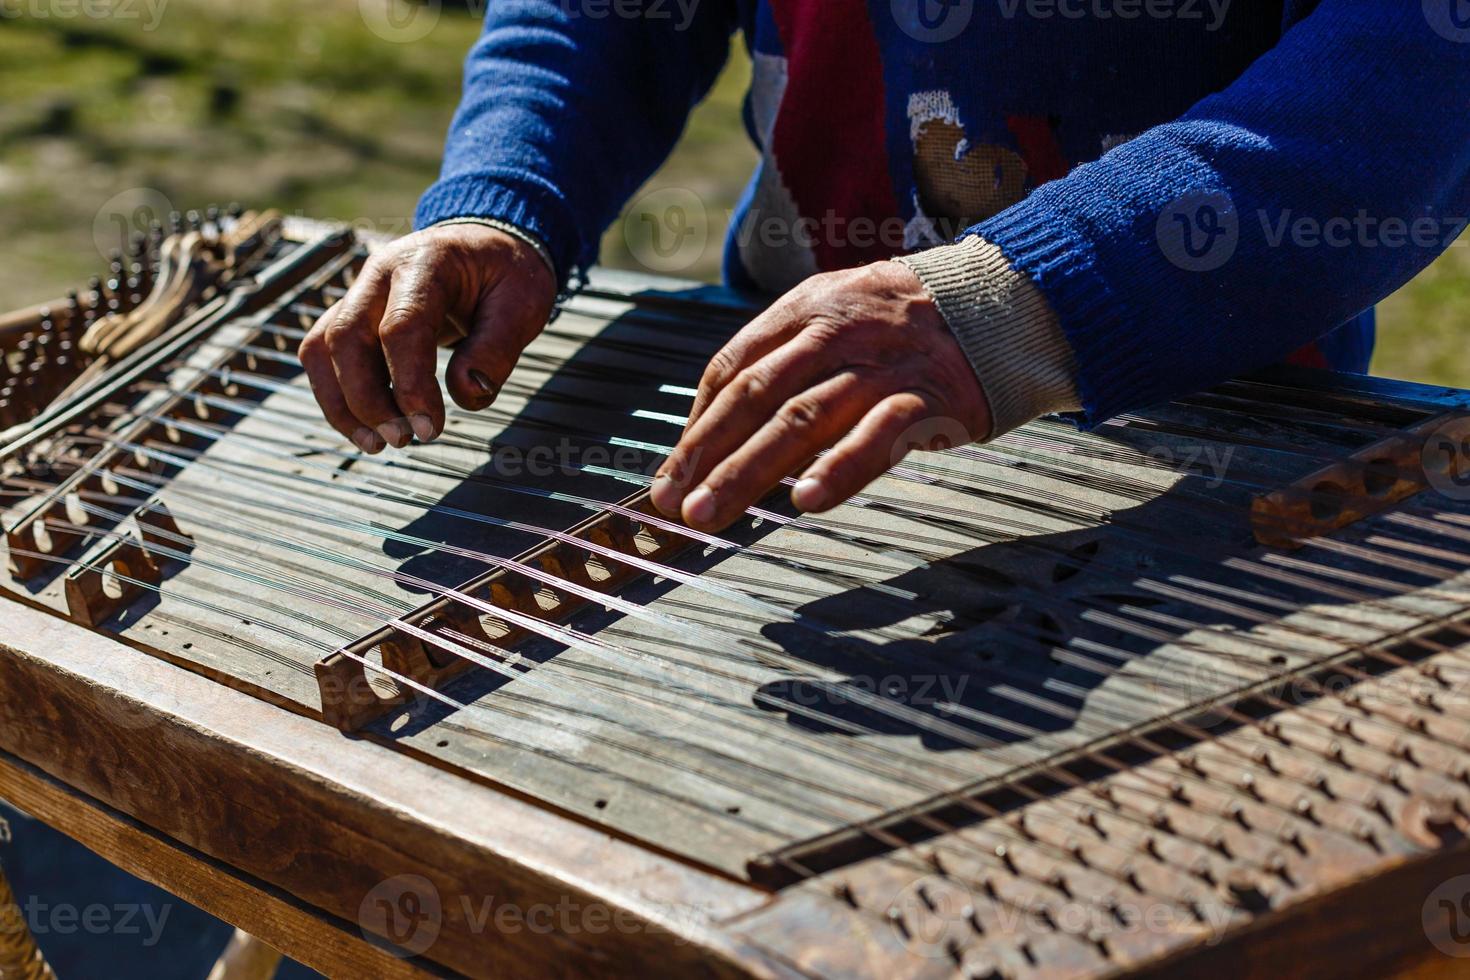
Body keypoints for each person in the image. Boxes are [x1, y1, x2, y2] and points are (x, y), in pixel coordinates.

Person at [299, 1, 1470, 532]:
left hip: (1203, 439)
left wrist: (1021, 299)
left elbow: (1421, 59)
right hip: (789, 394)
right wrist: (506, 194)